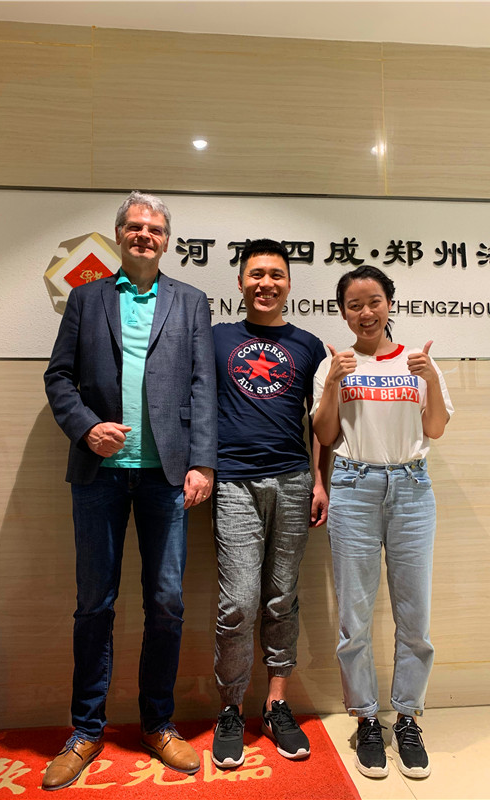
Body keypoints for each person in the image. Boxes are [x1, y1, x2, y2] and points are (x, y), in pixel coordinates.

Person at [42, 191, 217, 791]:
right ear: (119, 234)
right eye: (135, 226)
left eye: (156, 228)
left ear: (167, 240)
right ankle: (86, 730)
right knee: (94, 603)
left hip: (168, 476)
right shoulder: (86, 299)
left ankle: (157, 723)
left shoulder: (190, 301)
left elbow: (203, 385)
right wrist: (86, 428)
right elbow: (59, 376)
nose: (145, 235)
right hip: (100, 476)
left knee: (166, 602)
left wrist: (203, 463)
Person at [311, 265, 453, 780]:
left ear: (390, 303)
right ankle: (367, 718)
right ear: (343, 312)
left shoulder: (417, 361)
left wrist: (430, 378)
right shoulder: (335, 364)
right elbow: (325, 434)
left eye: (374, 301)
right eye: (354, 305)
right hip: (353, 486)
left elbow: (434, 428)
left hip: (412, 488)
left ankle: (408, 717)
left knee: (415, 615)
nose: (365, 312)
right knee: (354, 615)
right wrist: (334, 382)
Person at [210, 239, 329, 769]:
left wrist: (320, 480)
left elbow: (322, 420)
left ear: (289, 284)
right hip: (233, 482)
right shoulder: (215, 339)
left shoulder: (309, 345)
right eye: (256, 274)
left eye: (276, 275)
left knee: (282, 597)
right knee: (237, 602)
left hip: (294, 480)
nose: (266, 284)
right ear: (240, 282)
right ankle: (230, 708)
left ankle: (276, 703)